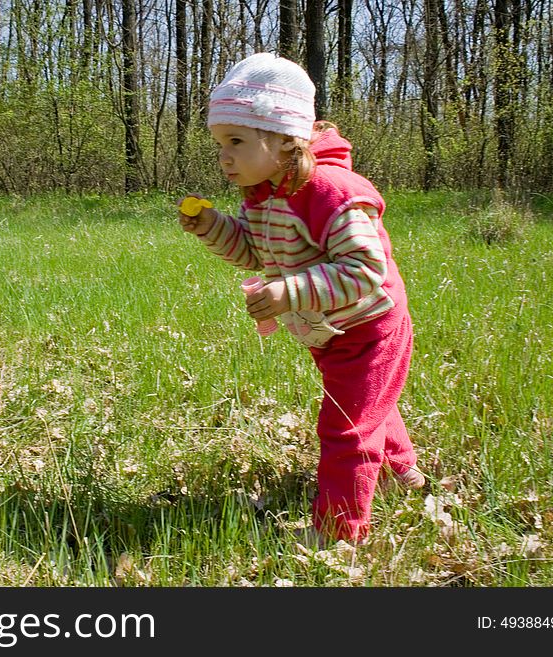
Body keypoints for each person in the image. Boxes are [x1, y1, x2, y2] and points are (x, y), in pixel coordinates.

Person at [178, 52, 425, 544]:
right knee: (364, 403)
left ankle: (338, 535)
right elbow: (253, 251)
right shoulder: (265, 193)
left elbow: (366, 270)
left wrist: (287, 292)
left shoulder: (331, 192)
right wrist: (214, 227)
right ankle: (404, 473)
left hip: (370, 327)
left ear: (285, 139)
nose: (224, 156)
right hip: (330, 328)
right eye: (219, 144)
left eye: (236, 142)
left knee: (347, 427)